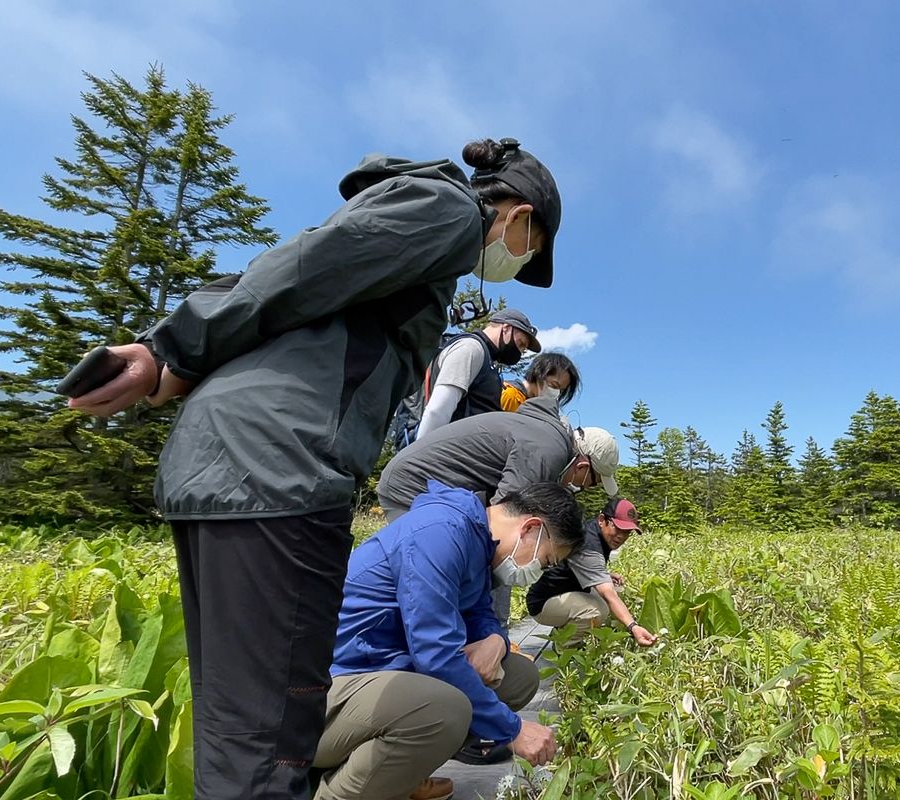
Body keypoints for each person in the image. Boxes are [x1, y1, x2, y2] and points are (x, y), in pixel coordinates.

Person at [65, 137, 562, 800]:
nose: (516, 260)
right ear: (519, 216)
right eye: (528, 246)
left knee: (248, 724)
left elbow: (280, 280)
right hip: (280, 468)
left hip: (243, 465)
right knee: (267, 743)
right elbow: (307, 267)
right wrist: (174, 348)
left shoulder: (425, 248)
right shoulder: (450, 212)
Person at [311, 481, 584, 800]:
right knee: (445, 710)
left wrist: (495, 639)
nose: (537, 571)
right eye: (546, 561)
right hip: (325, 689)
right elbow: (435, 655)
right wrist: (513, 729)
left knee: (518, 677)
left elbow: (480, 613)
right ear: (530, 528)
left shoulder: (478, 541)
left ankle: (399, 772)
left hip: (383, 671)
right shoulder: (441, 532)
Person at [377, 397, 620, 523]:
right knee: (435, 575)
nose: (583, 489)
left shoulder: (546, 435)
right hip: (414, 487)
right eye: (591, 483)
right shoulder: (549, 449)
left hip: (427, 485)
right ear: (583, 467)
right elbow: (506, 514)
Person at [526, 498, 659, 648]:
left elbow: (577, 564)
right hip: (543, 603)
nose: (621, 536)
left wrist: (605, 574)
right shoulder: (589, 545)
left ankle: (564, 631)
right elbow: (608, 594)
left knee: (617, 589)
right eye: (617, 528)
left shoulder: (594, 530)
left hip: (562, 593)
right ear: (603, 520)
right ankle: (566, 649)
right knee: (596, 610)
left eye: (627, 532)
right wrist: (633, 626)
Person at [407, 308, 542, 443]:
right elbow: (437, 410)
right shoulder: (471, 349)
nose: (520, 351)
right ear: (506, 328)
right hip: (439, 453)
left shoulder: (486, 360)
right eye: (520, 344)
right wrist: (420, 458)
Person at [500, 351, 582, 412]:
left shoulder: (534, 406)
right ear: (539, 374)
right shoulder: (510, 396)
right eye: (554, 385)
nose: (556, 392)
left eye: (561, 390)